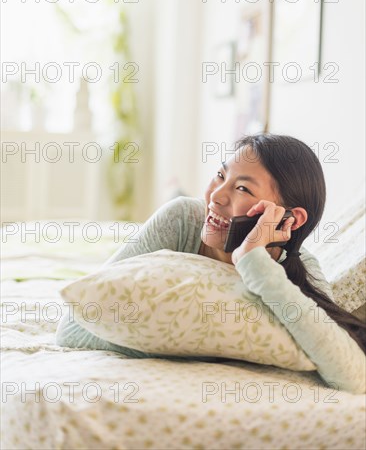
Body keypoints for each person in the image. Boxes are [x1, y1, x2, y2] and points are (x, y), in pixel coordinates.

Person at [56, 133, 366, 394]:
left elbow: (352, 376)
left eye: (242, 188)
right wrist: (192, 344)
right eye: (220, 176)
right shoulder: (182, 221)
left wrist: (253, 261)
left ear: (290, 219)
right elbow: (72, 327)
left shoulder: (300, 269)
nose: (215, 196)